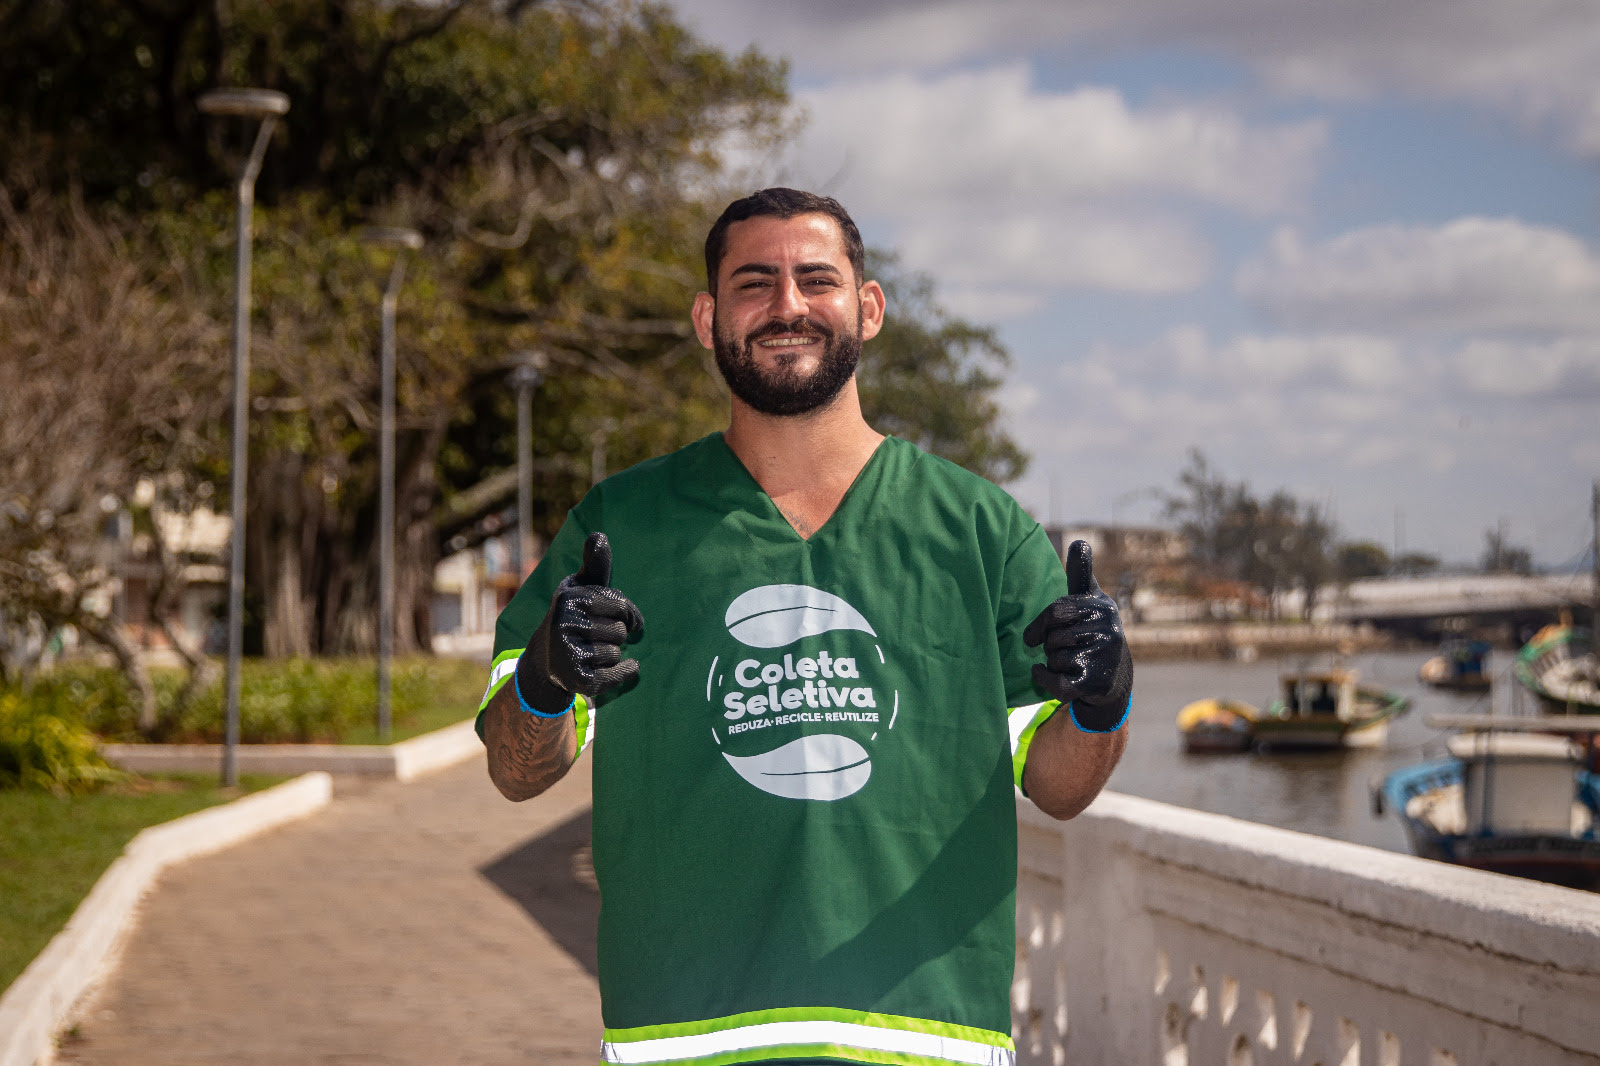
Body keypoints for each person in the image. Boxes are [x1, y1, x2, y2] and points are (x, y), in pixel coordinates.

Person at [477, 188, 1131, 1066]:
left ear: (868, 308)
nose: (787, 305)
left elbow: (1060, 786)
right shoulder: (619, 526)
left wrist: (1101, 707)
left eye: (815, 279)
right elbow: (518, 772)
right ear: (709, 319)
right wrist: (546, 682)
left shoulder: (981, 529)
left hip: (926, 1036)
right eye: (755, 283)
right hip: (685, 1038)